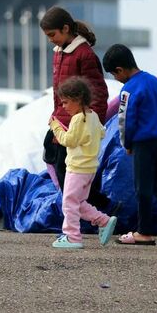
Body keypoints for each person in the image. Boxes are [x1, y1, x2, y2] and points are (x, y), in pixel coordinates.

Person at [102, 44, 157, 245]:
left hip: (143, 142)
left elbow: (125, 120)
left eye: (114, 75)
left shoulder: (128, 89)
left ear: (119, 70)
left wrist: (127, 143)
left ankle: (144, 232)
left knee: (142, 187)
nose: (117, 79)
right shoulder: (154, 81)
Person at [38, 6, 108, 192]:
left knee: (75, 181)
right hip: (61, 123)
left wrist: (94, 125)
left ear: (66, 29)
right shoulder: (58, 53)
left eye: (52, 34)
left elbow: (98, 93)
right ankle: (82, 209)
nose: (50, 39)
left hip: (78, 128)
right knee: (62, 174)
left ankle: (100, 209)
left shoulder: (84, 55)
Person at [47, 78, 117, 249]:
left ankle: (72, 236)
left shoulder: (78, 119)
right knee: (78, 202)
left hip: (77, 169)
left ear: (77, 99)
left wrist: (56, 126)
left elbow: (68, 140)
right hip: (89, 168)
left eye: (66, 102)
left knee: (68, 202)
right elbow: (101, 133)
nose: (64, 106)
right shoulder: (93, 116)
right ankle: (103, 220)